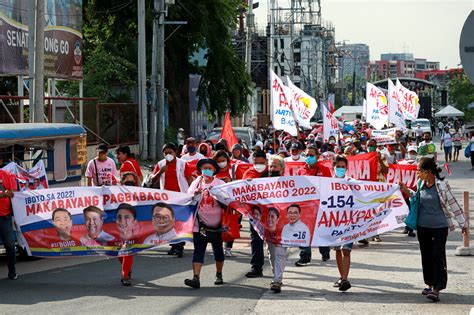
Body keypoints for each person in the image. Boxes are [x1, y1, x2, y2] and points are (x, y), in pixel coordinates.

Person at [400, 158, 468, 302]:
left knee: (437, 255)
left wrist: (463, 224)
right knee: (426, 256)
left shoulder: (442, 184)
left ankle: (437, 288)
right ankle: (430, 285)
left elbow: (453, 204)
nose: (417, 174)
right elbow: (416, 198)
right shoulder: (420, 184)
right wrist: (406, 190)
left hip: (440, 227)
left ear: (428, 172)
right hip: (423, 227)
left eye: (419, 171)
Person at [185, 158, 225, 289]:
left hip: (217, 226)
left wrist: (217, 195)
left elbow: (228, 201)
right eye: (204, 168)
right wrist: (194, 194)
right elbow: (188, 198)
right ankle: (196, 278)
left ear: (214, 170)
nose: (206, 170)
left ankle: (219, 274)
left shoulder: (220, 183)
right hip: (200, 224)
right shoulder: (196, 183)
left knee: (218, 251)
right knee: (198, 251)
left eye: (209, 168)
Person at [151, 143, 192, 256]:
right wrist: (160, 172)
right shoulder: (160, 164)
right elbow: (153, 180)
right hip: (167, 199)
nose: (168, 155)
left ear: (176, 153)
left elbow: (189, 180)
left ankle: (180, 246)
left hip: (181, 198)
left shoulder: (183, 164)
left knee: (179, 222)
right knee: (169, 222)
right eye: (166, 153)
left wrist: (191, 194)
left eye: (170, 152)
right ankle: (173, 245)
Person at [244, 150, 269, 278]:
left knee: (273, 240)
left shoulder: (271, 172)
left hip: (271, 212)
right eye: (256, 163)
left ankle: (276, 267)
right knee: (256, 239)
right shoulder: (248, 174)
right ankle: (256, 267)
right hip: (255, 212)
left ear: (266, 161)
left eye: (261, 163)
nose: (259, 165)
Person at [332, 155, 353, 292]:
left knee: (346, 249)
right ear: (333, 167)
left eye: (343, 167)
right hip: (333, 221)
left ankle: (345, 279)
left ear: (346, 168)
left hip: (349, 220)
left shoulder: (352, 182)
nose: (340, 169)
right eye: (338, 166)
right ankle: (341, 277)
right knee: (337, 250)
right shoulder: (327, 182)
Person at [115, 203, 138, 286]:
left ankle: (125, 276)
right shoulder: (112, 235)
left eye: (127, 217)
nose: (122, 221)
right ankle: (127, 269)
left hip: (130, 242)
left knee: (127, 251)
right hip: (118, 242)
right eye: (119, 217)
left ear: (134, 222)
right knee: (120, 256)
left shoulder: (139, 235)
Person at [0, 169, 17, 279]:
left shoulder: (6, 174)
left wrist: (10, 193)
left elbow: (14, 192)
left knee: (10, 246)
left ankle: (12, 272)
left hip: (5, 217)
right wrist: (3, 194)